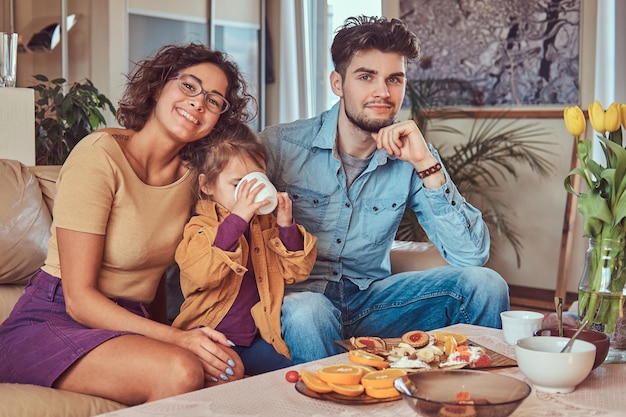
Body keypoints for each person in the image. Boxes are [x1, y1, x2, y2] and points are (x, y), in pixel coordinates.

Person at [0, 43, 255, 404]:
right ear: (157, 87)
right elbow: (79, 301)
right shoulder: (99, 157)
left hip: (130, 321)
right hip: (54, 318)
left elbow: (156, 283)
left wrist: (181, 332)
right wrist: (177, 340)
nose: (198, 103)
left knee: (230, 369)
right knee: (180, 370)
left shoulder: (195, 179)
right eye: (189, 86)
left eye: (214, 100)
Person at [258, 15, 510, 364]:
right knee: (308, 311)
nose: (383, 92)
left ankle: (466, 399)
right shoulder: (279, 146)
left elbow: (470, 256)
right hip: (301, 299)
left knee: (487, 285)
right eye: (366, 77)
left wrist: (426, 164)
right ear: (337, 82)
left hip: (372, 301)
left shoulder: (414, 154)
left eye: (394, 79)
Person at [171, 123, 317, 375]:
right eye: (238, 185)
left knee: (293, 375)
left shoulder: (265, 225)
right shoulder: (201, 226)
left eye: (258, 181)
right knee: (229, 373)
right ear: (207, 186)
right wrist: (237, 218)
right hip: (208, 334)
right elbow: (200, 274)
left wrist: (286, 225)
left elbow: (297, 272)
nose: (250, 195)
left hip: (253, 340)